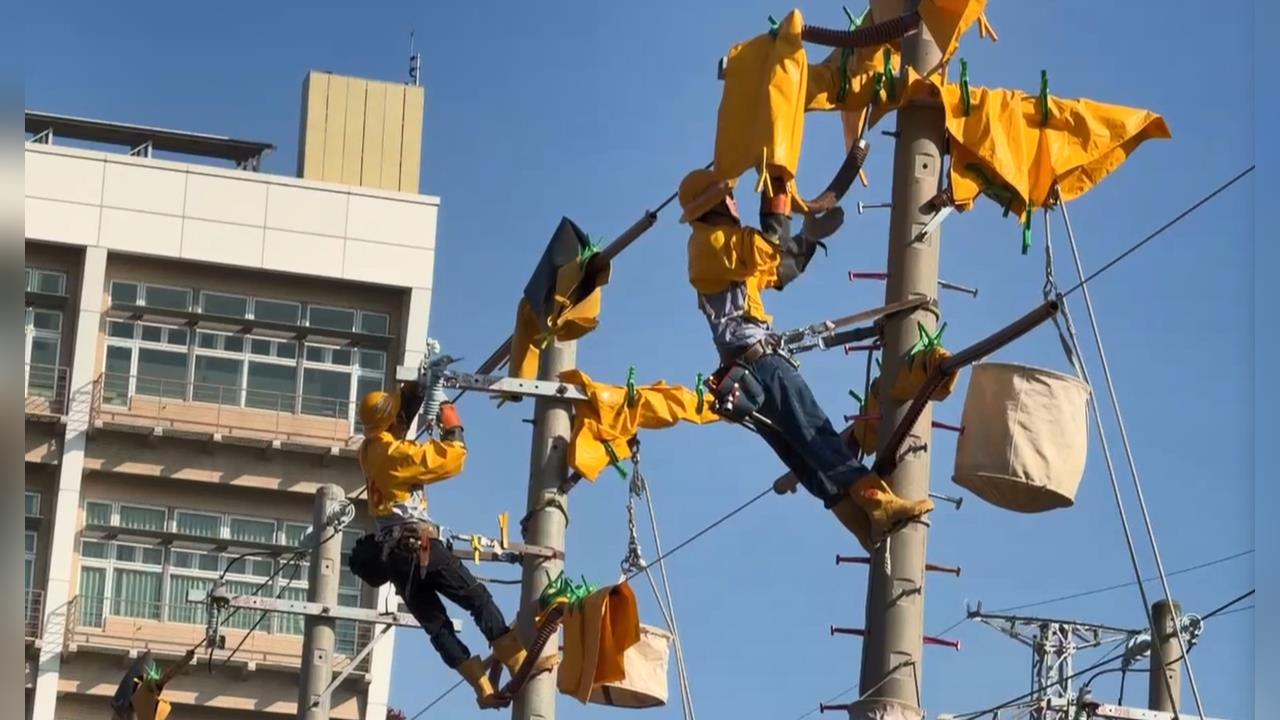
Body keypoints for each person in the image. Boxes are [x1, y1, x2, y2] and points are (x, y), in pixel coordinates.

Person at [680, 166, 933, 550]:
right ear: (713, 206)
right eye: (728, 197)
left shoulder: (724, 252)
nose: (734, 202)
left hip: (746, 373)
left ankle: (864, 528)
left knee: (807, 457)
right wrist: (776, 200)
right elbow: (769, 248)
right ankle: (879, 504)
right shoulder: (711, 242)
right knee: (818, 435)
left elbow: (776, 271)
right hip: (760, 365)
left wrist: (808, 240)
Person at [354, 379, 525, 710]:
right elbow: (453, 458)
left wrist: (420, 390)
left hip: (396, 563)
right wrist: (449, 416)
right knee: (477, 599)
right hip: (419, 547)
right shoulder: (397, 454)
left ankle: (482, 687)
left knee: (439, 629)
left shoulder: (369, 450)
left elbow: (397, 429)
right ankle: (517, 660)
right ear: (393, 421)